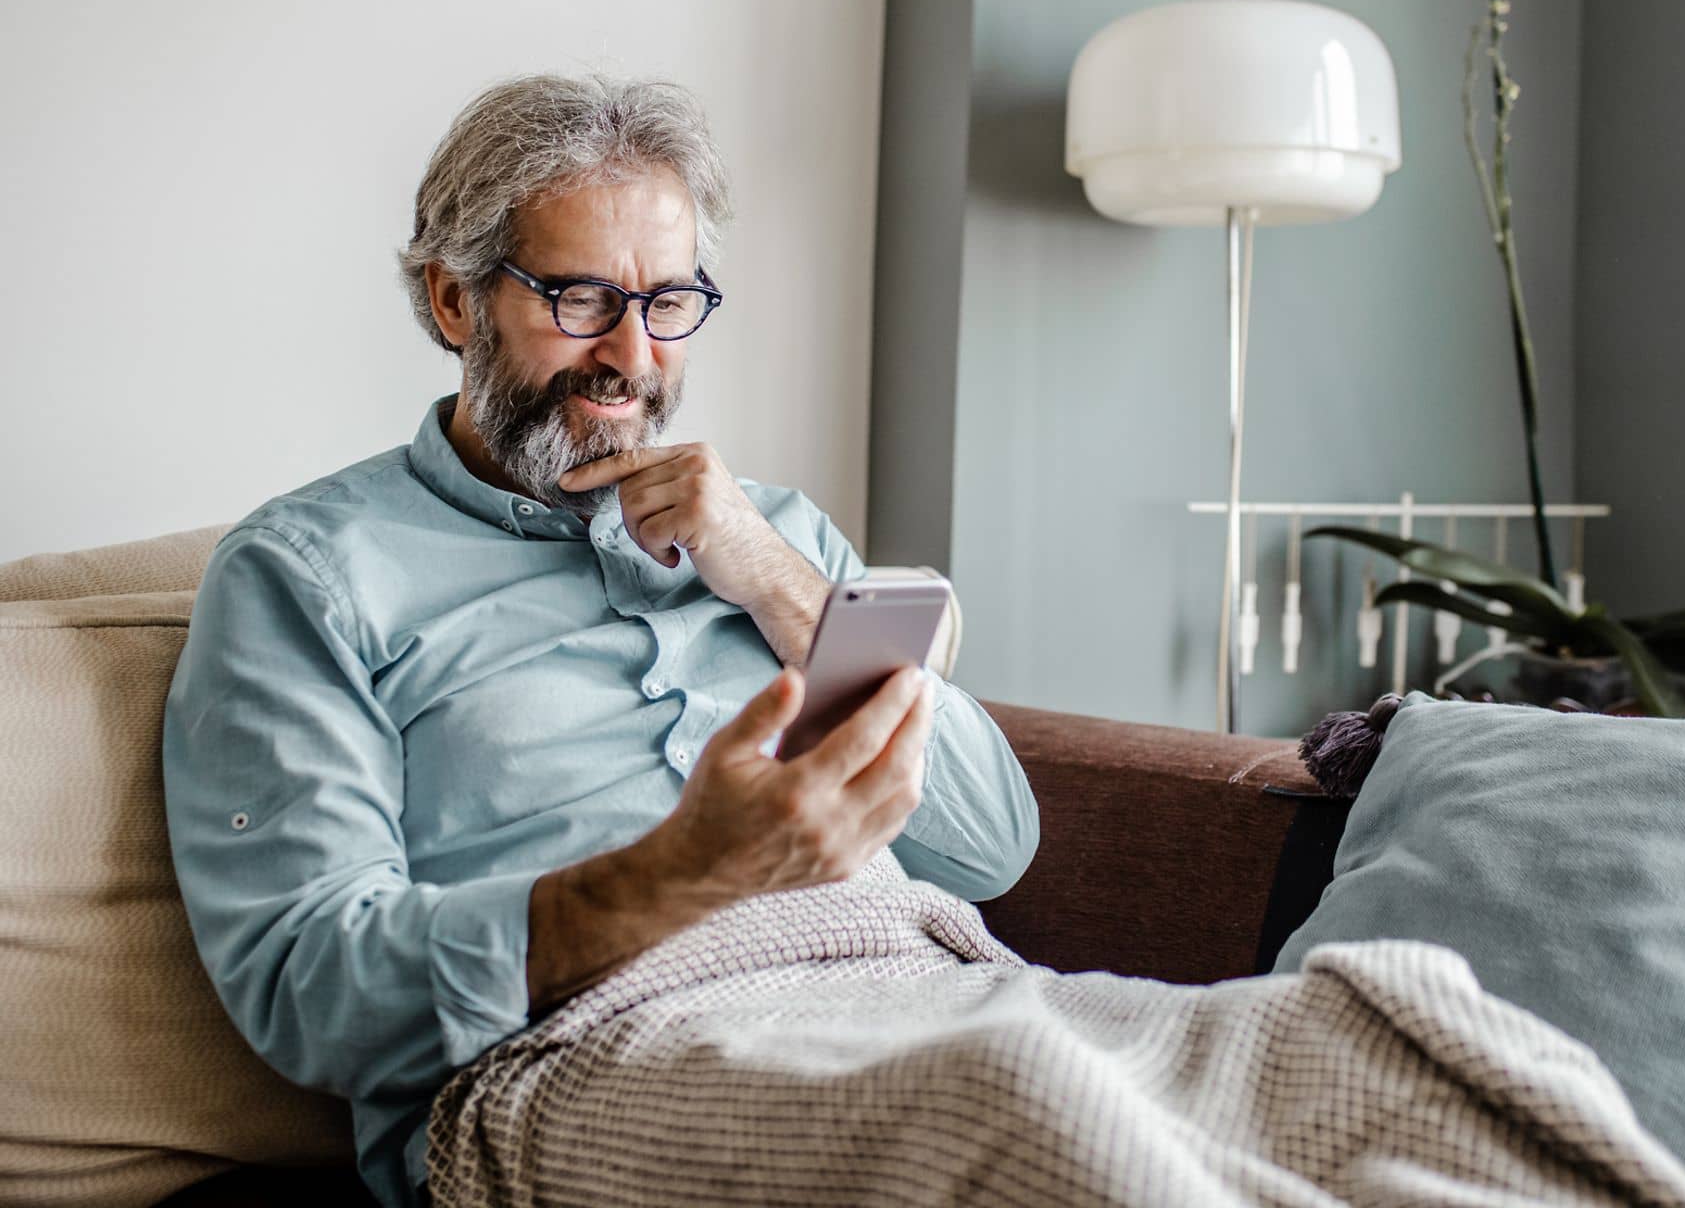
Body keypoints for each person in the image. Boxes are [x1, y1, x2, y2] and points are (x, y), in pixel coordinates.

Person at [161, 74, 1041, 1208]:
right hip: (576, 1059)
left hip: (912, 991)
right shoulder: (309, 575)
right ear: (451, 302)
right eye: (578, 299)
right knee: (1027, 1138)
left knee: (1303, 1078)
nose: (630, 355)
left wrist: (774, 579)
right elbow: (311, 986)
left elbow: (992, 846)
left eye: (669, 301)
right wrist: (681, 875)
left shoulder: (772, 531)